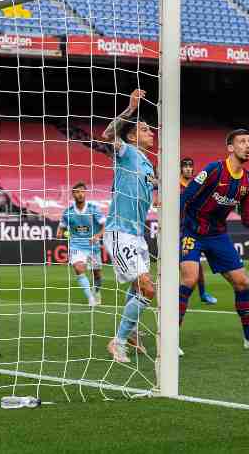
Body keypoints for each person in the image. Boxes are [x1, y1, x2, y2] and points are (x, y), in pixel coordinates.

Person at [179, 129, 249, 351]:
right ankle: (169, 340)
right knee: (190, 278)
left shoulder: (248, 180)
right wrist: (173, 229)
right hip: (192, 231)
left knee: (242, 281)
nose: (248, 145)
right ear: (230, 147)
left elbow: (247, 218)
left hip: (217, 234)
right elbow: (185, 197)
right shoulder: (214, 170)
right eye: (242, 142)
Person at [101, 89, 158, 363]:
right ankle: (119, 340)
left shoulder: (149, 165)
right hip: (120, 232)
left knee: (140, 289)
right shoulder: (126, 153)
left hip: (137, 236)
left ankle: (131, 333)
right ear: (133, 136)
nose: (152, 133)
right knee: (147, 288)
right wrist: (130, 110)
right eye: (145, 129)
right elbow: (108, 134)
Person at [56, 182, 105, 307]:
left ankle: (96, 292)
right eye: (77, 192)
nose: (80, 194)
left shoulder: (93, 209)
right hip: (77, 246)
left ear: (85, 193)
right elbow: (60, 229)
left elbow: (105, 226)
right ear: (73, 194)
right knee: (79, 269)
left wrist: (98, 236)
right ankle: (90, 298)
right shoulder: (68, 212)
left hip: (93, 246)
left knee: (97, 274)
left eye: (82, 192)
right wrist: (60, 233)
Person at [180, 157, 217, 304]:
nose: (188, 169)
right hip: (176, 230)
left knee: (196, 265)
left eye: (191, 166)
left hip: (191, 229)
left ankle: (203, 293)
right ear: (180, 169)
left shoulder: (197, 185)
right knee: (180, 267)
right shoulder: (175, 184)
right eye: (185, 166)